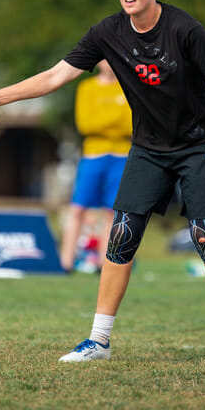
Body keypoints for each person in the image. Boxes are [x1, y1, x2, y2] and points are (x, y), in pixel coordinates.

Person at [0, 0, 205, 365]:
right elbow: (54, 76)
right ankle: (98, 341)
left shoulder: (184, 29)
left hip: (199, 146)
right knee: (120, 236)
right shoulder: (107, 33)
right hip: (149, 149)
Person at [59, 59, 131, 272]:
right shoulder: (86, 87)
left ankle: (104, 263)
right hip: (92, 155)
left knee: (112, 212)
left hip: (121, 156)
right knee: (78, 208)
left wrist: (104, 120)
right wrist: (115, 119)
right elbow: (85, 123)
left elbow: (131, 123)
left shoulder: (128, 86)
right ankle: (66, 262)